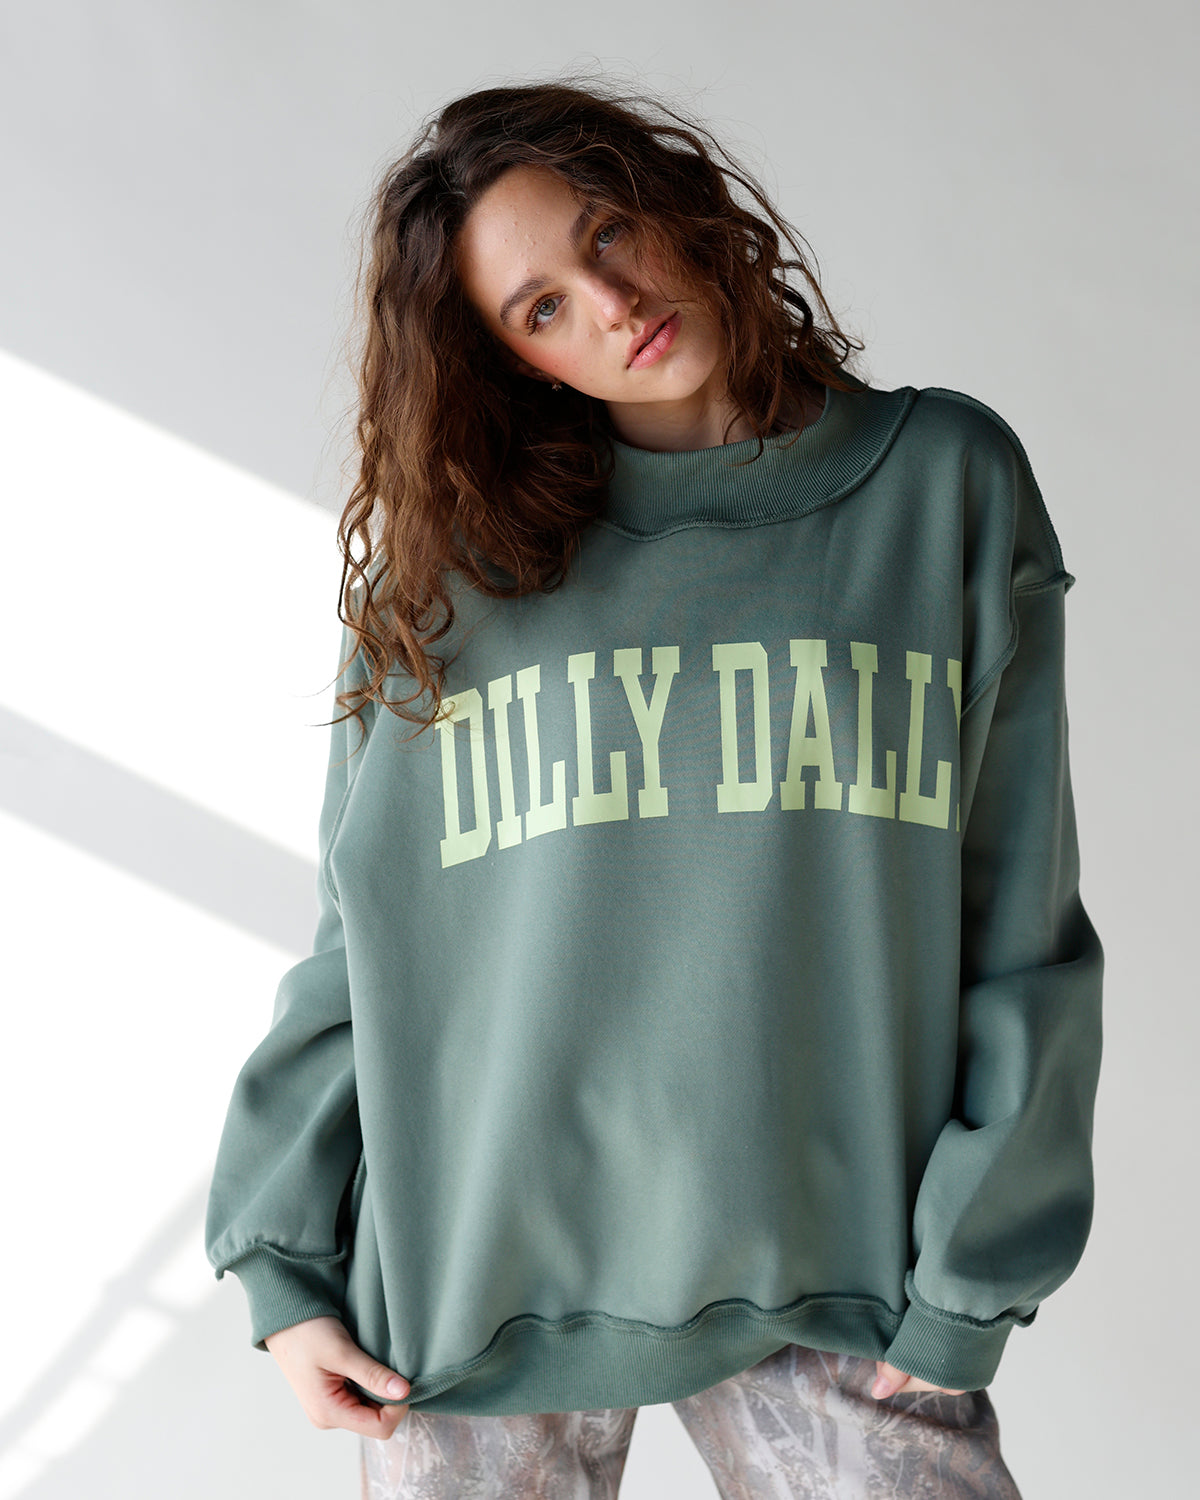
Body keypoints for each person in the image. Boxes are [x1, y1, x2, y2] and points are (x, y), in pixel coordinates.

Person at [205, 73, 1104, 1499]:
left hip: (838, 1272)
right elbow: (358, 936)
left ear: (676, 204)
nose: (612, 305)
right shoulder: (455, 575)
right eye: (543, 307)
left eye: (607, 234)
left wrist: (975, 1269)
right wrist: (280, 1259)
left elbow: (1020, 911)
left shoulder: (942, 486)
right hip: (476, 1285)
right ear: (513, 360)